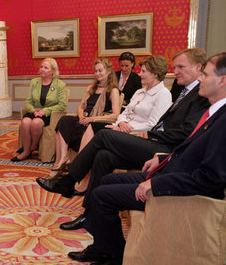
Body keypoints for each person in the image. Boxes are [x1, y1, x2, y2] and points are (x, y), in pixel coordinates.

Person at [66, 52, 226, 265]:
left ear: (222, 80)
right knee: (106, 176)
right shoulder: (213, 112)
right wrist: (162, 159)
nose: (201, 78)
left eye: (206, 74)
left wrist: (157, 185)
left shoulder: (221, 120)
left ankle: (117, 257)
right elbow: (189, 150)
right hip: (170, 167)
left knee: (102, 193)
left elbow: (210, 178)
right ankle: (102, 248)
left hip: (180, 188)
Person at [36, 48, 210, 231]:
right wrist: (122, 124)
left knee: (103, 134)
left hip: (163, 148)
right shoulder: (182, 90)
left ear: (198, 67)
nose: (176, 72)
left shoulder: (200, 94)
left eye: (181, 67)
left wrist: (148, 134)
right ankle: (89, 215)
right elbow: (127, 114)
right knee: (103, 156)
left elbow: (185, 133)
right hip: (151, 139)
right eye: (175, 67)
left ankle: (69, 180)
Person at [60, 55, 172, 194]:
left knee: (101, 133)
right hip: (123, 128)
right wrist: (121, 122)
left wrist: (125, 127)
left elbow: (152, 125)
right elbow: (123, 113)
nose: (139, 74)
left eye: (143, 71)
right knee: (102, 152)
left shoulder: (163, 94)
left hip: (138, 135)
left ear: (155, 73)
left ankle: (71, 177)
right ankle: (90, 195)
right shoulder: (140, 92)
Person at [42, 58, 120, 179]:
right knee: (64, 120)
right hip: (83, 119)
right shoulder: (91, 87)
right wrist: (81, 115)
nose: (97, 73)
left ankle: (61, 164)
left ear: (109, 71)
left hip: (95, 123)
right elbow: (81, 106)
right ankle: (62, 158)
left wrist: (92, 119)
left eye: (100, 70)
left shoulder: (113, 90)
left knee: (69, 125)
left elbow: (115, 114)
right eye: (96, 71)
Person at [12, 58, 67, 162]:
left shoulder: (60, 85)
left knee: (36, 123)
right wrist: (33, 110)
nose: (42, 69)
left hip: (50, 114)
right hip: (35, 111)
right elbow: (28, 102)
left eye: (45, 68)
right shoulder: (34, 82)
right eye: (41, 67)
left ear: (53, 71)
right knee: (25, 122)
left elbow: (62, 105)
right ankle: (26, 151)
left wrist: (45, 111)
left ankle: (33, 146)